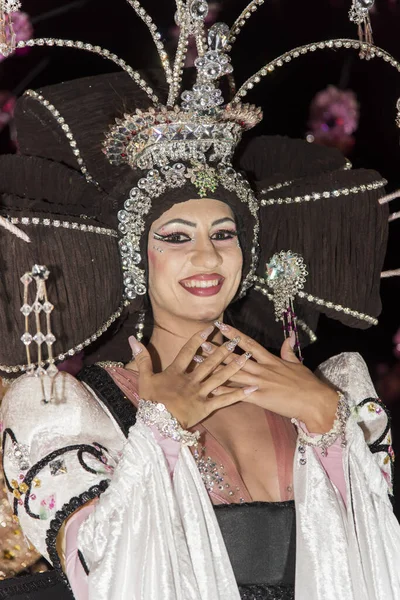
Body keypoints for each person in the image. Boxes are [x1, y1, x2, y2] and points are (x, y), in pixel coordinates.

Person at [0, 1, 399, 599]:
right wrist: (159, 430)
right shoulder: (70, 411)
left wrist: (328, 426)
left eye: (224, 235)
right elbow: (97, 573)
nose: (208, 259)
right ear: (136, 257)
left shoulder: (329, 391)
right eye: (177, 237)